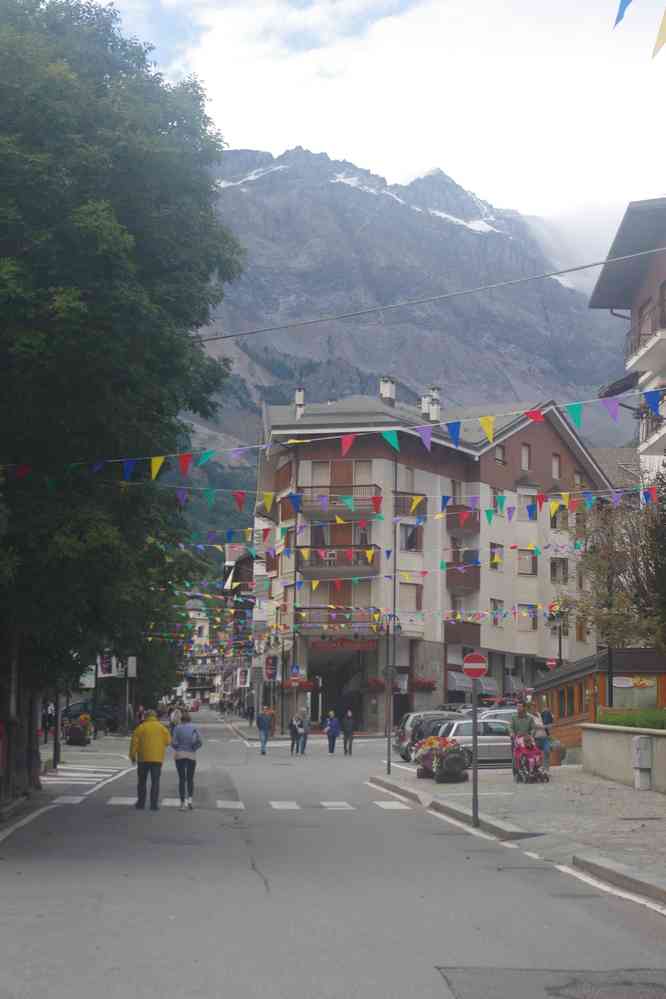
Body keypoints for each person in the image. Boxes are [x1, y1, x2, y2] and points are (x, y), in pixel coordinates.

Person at [129, 709, 171, 811]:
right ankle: (154, 805)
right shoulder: (162, 728)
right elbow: (168, 741)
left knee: (142, 782)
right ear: (155, 716)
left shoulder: (141, 728)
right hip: (157, 759)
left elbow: (134, 743)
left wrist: (132, 756)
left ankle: (141, 803)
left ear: (146, 716)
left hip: (143, 759)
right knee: (155, 782)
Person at [171, 710, 202, 811]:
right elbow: (200, 741)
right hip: (191, 756)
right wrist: (194, 748)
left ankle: (182, 803)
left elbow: (174, 742)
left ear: (181, 719)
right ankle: (190, 801)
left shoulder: (177, 728)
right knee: (190, 779)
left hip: (180, 755)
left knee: (182, 779)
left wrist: (177, 748)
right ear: (190, 719)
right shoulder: (194, 728)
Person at [538, 704, 554, 771]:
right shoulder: (546, 713)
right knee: (544, 752)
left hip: (544, 735)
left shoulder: (544, 713)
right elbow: (548, 724)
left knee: (545, 752)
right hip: (540, 735)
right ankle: (545, 768)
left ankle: (545, 768)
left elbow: (548, 725)